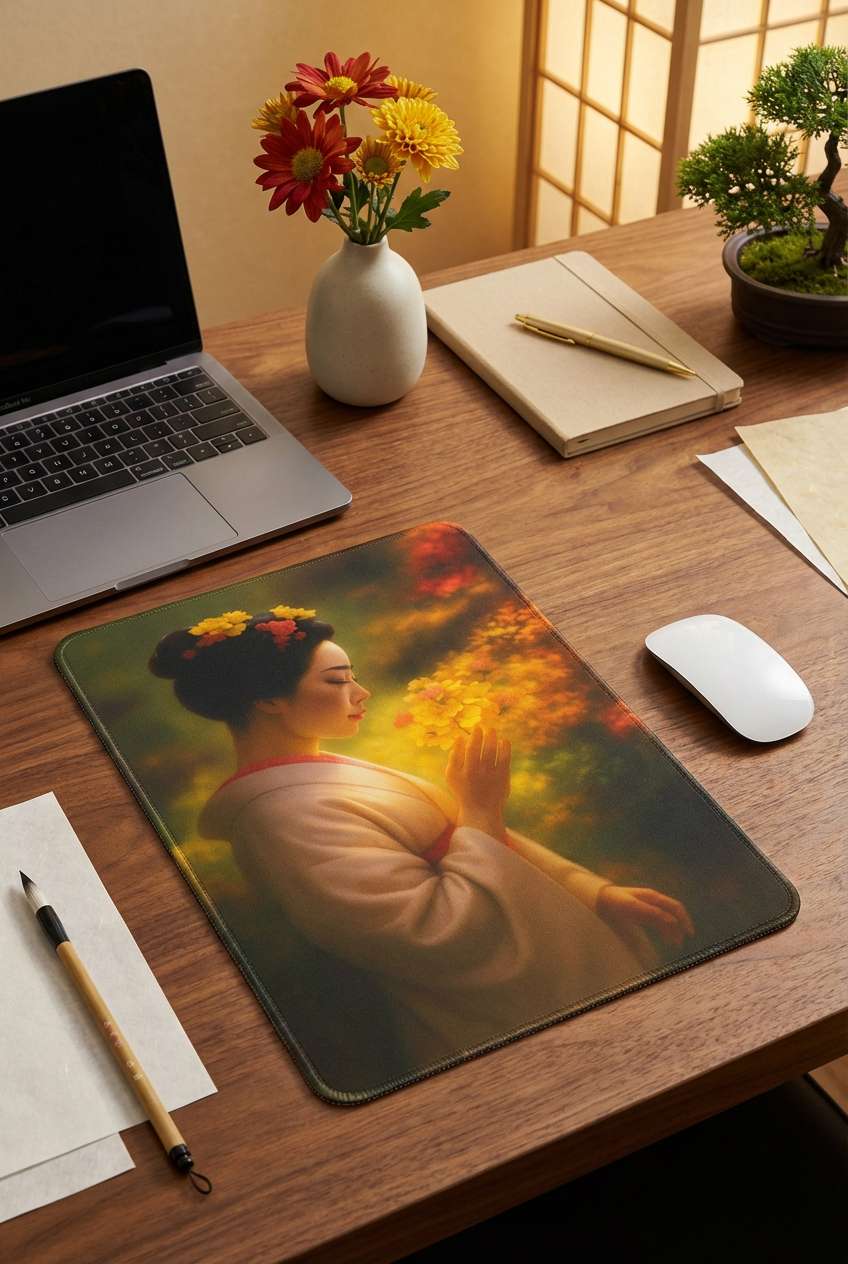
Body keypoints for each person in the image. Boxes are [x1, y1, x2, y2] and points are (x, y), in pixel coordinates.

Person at [150, 604, 694, 1073]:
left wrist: (592, 891)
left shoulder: (314, 775)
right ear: (269, 699)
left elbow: (466, 832)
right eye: (337, 682)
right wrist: (479, 807)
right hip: (486, 1015)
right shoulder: (280, 819)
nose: (360, 693)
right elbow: (437, 933)